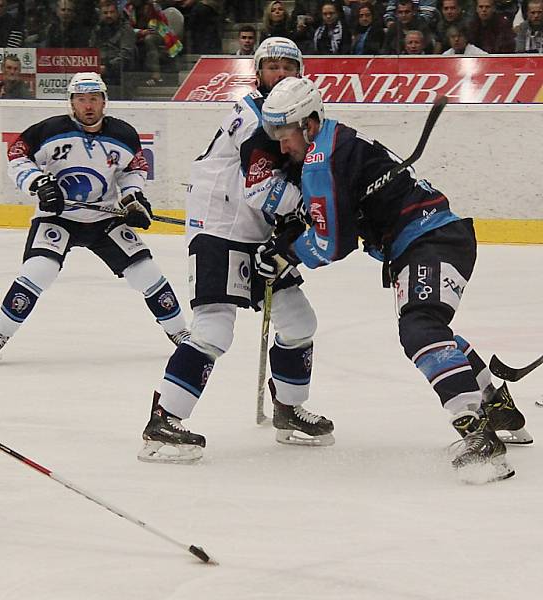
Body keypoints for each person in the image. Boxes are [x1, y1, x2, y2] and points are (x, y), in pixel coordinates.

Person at [258, 77, 531, 483]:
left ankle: (476, 431)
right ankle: (496, 403)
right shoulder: (336, 141)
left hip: (429, 240)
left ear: (309, 123)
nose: (282, 146)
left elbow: (333, 245)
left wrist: (289, 253)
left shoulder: (320, 159)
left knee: (420, 329)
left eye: (286, 135)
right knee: (431, 330)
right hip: (430, 240)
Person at [137, 38, 334, 465]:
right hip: (221, 228)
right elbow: (261, 186)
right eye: (271, 67)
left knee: (300, 322)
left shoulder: (296, 118)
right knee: (213, 329)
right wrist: (307, 210)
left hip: (256, 230)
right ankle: (164, 420)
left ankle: (288, 409)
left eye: (288, 67)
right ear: (257, 74)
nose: (280, 74)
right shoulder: (252, 115)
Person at [0, 73, 189, 361]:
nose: (88, 106)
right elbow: (17, 154)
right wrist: (38, 182)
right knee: (38, 271)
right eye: (81, 100)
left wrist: (133, 200)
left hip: (104, 219)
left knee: (147, 271)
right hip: (58, 216)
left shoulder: (123, 135)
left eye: (94, 99)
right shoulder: (50, 130)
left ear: (104, 102)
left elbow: (132, 172)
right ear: (71, 103)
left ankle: (179, 332)